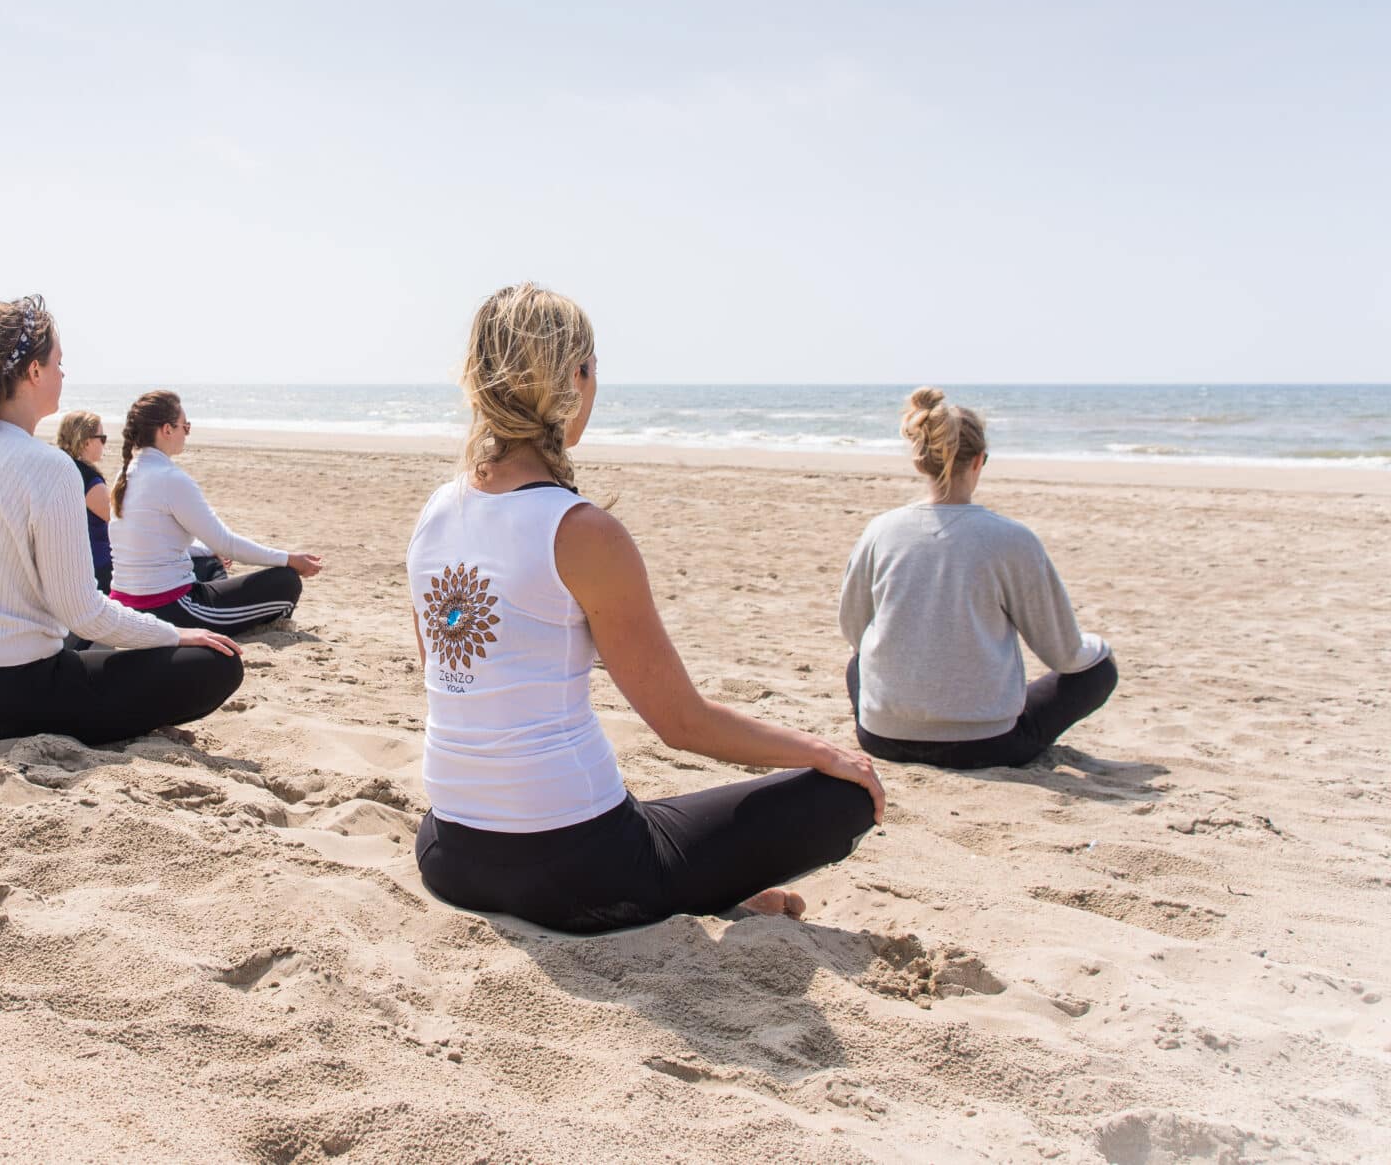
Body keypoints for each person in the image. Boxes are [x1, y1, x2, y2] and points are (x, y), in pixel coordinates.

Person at [407, 284, 883, 935]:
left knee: (659, 823)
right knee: (845, 796)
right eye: (592, 367)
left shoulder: (436, 512)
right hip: (575, 874)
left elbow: (446, 676)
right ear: (574, 378)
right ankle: (703, 890)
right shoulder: (581, 530)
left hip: (449, 852)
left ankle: (712, 889)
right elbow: (681, 722)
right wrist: (822, 752)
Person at [0, 297, 245, 746]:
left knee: (91, 651)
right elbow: (83, 612)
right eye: (58, 363)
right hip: (6, 697)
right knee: (218, 662)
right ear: (34, 371)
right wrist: (174, 634)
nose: (63, 374)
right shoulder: (48, 466)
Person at [838, 387, 1118, 769]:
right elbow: (1064, 654)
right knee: (1098, 671)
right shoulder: (1012, 539)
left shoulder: (879, 530)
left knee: (857, 663)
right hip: (986, 745)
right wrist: (1099, 647)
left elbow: (854, 631)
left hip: (882, 737)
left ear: (921, 462)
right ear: (979, 461)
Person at [107, 390, 321, 634]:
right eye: (185, 427)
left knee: (209, 563)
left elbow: (153, 540)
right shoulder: (170, 478)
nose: (187, 433)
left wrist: (211, 550)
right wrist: (289, 559)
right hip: (168, 607)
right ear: (167, 429)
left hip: (125, 603)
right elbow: (227, 544)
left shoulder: (125, 475)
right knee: (286, 581)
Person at [55, 410, 116, 593]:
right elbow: (117, 519)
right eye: (102, 438)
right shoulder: (88, 479)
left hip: (69, 564)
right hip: (99, 566)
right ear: (86, 442)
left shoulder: (58, 468)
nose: (104, 444)